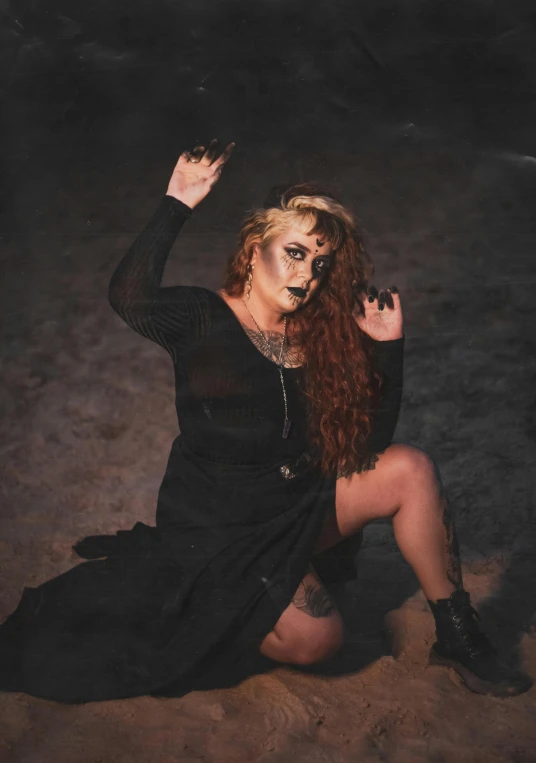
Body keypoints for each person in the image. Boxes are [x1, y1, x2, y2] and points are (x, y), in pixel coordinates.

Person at [0, 139, 531, 704]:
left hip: (295, 512)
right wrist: (177, 202)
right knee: (318, 641)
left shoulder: (320, 336)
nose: (307, 275)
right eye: (295, 253)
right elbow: (129, 296)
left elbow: (366, 447)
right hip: (219, 532)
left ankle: (456, 633)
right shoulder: (202, 317)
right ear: (255, 250)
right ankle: (233, 611)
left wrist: (385, 351)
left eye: (320, 263)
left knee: (411, 469)